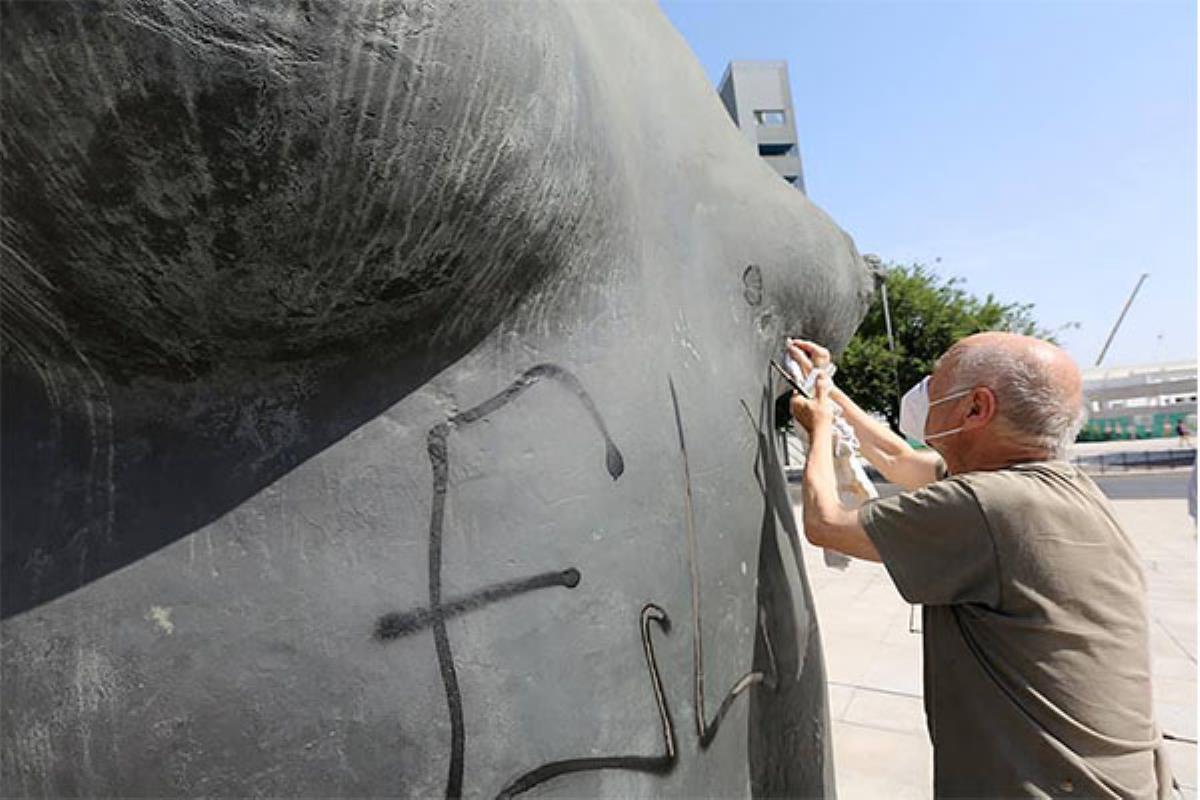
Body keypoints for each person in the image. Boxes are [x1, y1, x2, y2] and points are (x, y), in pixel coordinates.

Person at [786, 332, 1173, 799]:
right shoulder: (1049, 487)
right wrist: (824, 385)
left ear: (975, 409)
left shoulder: (989, 504)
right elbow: (900, 459)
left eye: (938, 382)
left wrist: (820, 428)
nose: (925, 392)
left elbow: (827, 524)